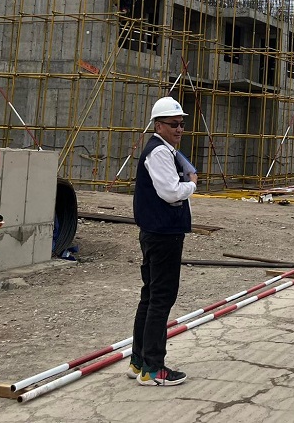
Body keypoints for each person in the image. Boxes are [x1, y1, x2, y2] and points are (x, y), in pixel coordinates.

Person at [130, 96, 197, 386]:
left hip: (158, 231)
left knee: (151, 296)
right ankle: (153, 369)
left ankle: (139, 361)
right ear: (158, 125)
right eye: (173, 124)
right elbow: (170, 192)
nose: (179, 129)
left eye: (181, 124)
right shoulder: (158, 152)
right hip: (163, 234)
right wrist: (191, 184)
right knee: (161, 298)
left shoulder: (165, 150)